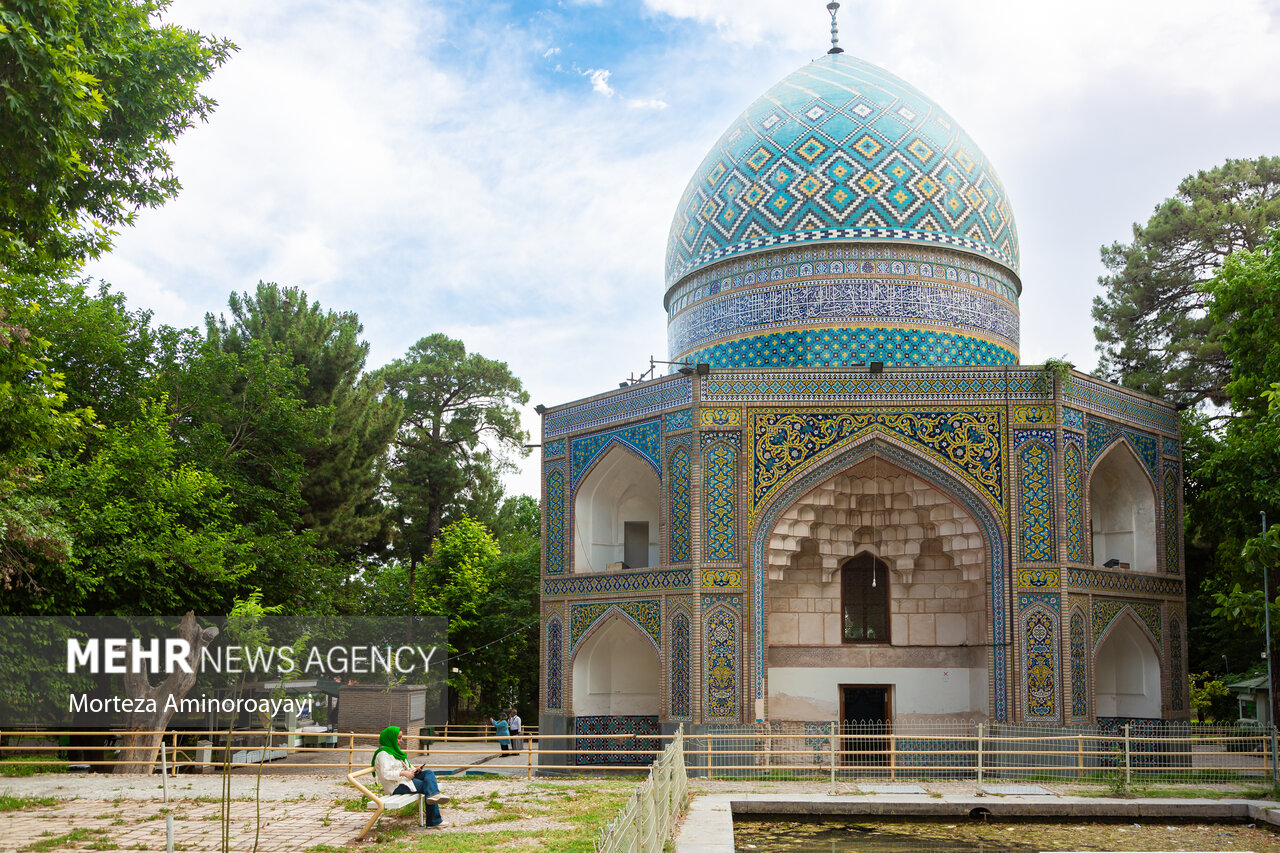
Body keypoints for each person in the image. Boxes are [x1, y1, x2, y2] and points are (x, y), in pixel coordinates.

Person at [371, 725, 449, 828]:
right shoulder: (383, 754)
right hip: (396, 786)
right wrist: (403, 773)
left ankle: (434, 799)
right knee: (427, 786)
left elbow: (406, 768)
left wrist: (414, 770)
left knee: (429, 773)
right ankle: (434, 819)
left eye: (401, 737)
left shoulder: (396, 752)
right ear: (391, 738)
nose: (401, 740)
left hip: (405, 780)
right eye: (399, 738)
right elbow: (386, 774)